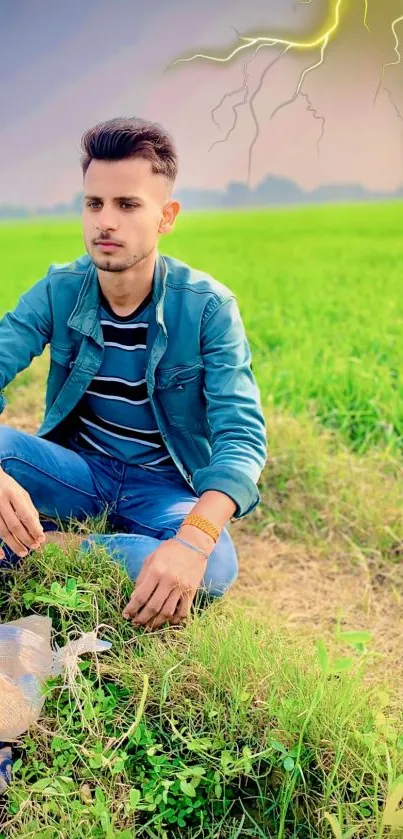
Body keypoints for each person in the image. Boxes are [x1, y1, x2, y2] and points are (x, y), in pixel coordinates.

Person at [0, 116, 267, 632]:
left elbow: (242, 437)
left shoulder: (208, 307)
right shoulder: (60, 289)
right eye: (94, 204)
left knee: (212, 566)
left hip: (166, 489)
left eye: (127, 205)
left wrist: (189, 544)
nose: (106, 222)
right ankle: (87, 545)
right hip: (79, 472)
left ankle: (49, 546)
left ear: (166, 216)